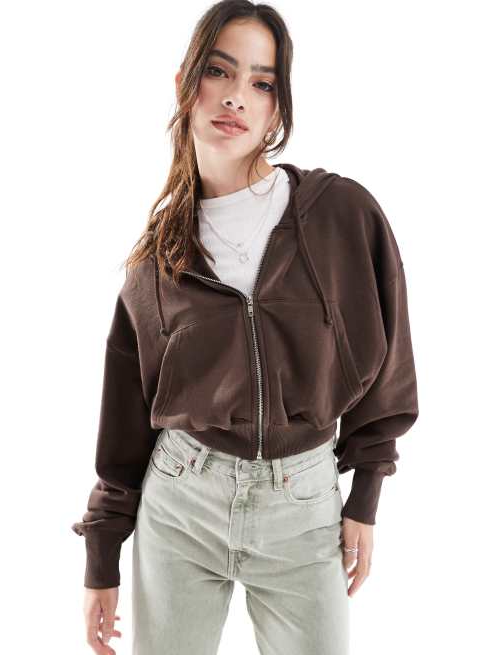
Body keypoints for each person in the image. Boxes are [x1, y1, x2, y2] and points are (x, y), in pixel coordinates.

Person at [71, 1, 419, 654]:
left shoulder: (340, 214)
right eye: (219, 71)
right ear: (185, 83)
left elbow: (389, 359)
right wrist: (101, 559)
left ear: (277, 108)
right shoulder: (156, 263)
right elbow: (124, 424)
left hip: (304, 507)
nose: (236, 97)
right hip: (181, 505)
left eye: (261, 83)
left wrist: (365, 495)